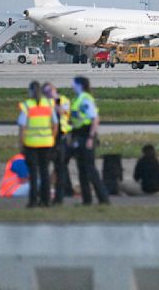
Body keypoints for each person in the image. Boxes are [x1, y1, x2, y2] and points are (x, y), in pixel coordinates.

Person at [18, 81, 58, 207]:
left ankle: (33, 201)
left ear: (30, 91)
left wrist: (21, 142)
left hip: (31, 144)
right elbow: (55, 124)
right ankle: (46, 201)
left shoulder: (27, 105)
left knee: (33, 174)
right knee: (45, 172)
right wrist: (52, 137)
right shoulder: (49, 104)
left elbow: (22, 126)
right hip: (46, 143)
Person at [70, 76, 109, 205]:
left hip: (86, 136)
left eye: (74, 83)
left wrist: (91, 138)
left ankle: (103, 199)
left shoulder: (85, 99)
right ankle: (87, 200)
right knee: (81, 170)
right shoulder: (77, 99)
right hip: (78, 136)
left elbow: (95, 119)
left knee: (90, 169)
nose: (72, 86)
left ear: (80, 85)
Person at [42, 82, 73, 204]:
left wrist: (54, 101)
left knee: (61, 164)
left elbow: (64, 111)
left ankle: (64, 190)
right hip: (51, 136)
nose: (48, 94)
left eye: (50, 91)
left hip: (64, 135)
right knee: (60, 165)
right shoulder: (44, 102)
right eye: (46, 92)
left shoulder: (63, 100)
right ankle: (66, 189)